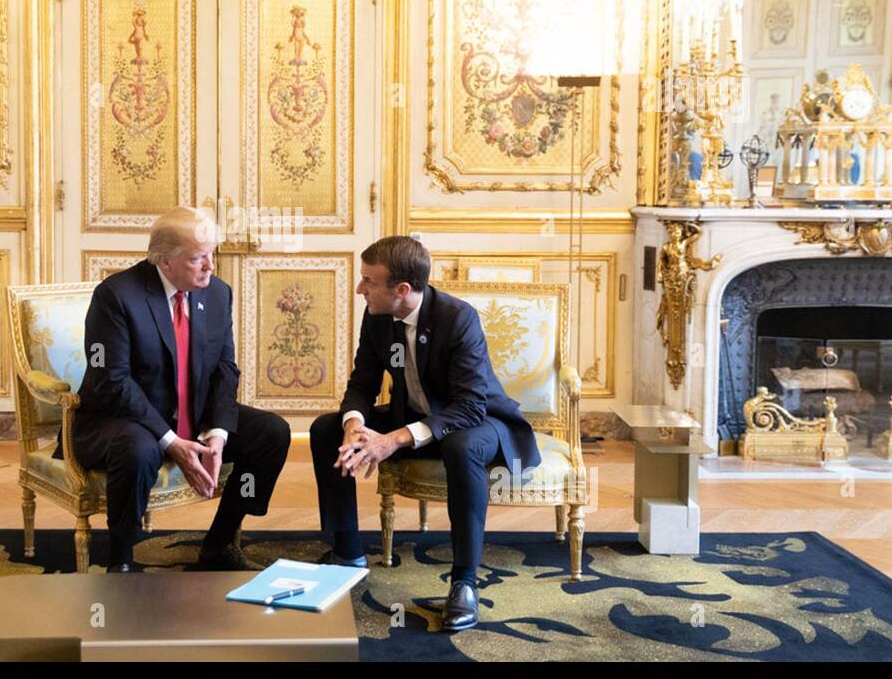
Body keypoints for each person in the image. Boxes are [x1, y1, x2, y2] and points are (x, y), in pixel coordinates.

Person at [309, 236, 541, 630]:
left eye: (368, 281)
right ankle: (348, 552)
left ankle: (464, 583)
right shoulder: (377, 315)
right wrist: (355, 426)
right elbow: (362, 384)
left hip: (479, 423)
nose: (360, 288)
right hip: (415, 417)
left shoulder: (458, 318)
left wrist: (392, 440)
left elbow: (469, 406)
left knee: (462, 444)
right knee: (325, 428)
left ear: (401, 290)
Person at [73, 207, 291, 572]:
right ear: (164, 260)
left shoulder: (218, 293)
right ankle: (121, 558)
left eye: (211, 254)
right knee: (138, 449)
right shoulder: (116, 296)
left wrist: (218, 433)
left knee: (272, 433)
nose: (210, 266)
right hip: (123, 420)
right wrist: (170, 440)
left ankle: (219, 543)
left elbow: (225, 368)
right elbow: (112, 380)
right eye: (197, 258)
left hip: (193, 413)